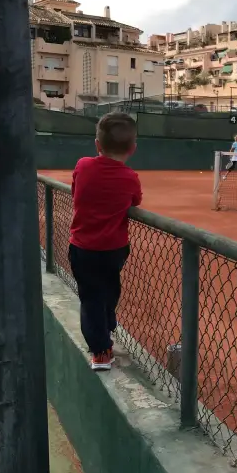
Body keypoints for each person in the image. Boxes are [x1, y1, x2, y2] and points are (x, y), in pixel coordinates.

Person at [68, 113, 142, 371]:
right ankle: (101, 350)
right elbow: (136, 201)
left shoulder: (83, 165)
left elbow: (77, 189)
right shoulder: (130, 176)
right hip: (114, 250)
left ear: (97, 144)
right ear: (132, 149)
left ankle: (103, 327)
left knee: (94, 295)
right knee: (105, 290)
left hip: (83, 248)